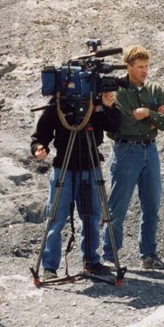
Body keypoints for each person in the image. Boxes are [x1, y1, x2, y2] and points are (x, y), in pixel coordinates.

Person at [31, 91, 121, 281]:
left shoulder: (95, 103)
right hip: (63, 166)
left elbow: (114, 126)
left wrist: (108, 106)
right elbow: (40, 136)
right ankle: (49, 267)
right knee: (56, 217)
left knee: (92, 216)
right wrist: (39, 148)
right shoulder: (57, 105)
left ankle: (91, 261)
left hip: (90, 166)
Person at [102, 45, 164, 270]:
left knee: (151, 204)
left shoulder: (153, 89)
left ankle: (149, 255)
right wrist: (154, 118)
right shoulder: (119, 90)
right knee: (118, 207)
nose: (145, 71)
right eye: (140, 67)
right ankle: (110, 255)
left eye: (146, 66)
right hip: (126, 151)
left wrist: (147, 114)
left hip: (149, 150)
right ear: (128, 67)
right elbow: (127, 121)